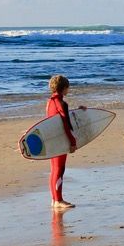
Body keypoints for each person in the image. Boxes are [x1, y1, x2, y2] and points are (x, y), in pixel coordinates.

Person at [46, 74, 79, 211]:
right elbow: (65, 123)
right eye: (68, 87)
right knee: (60, 169)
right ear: (64, 88)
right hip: (61, 139)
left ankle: (55, 200)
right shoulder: (62, 103)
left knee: (54, 170)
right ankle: (58, 200)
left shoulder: (50, 102)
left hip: (52, 138)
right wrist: (72, 141)